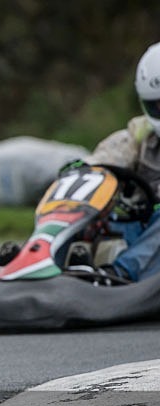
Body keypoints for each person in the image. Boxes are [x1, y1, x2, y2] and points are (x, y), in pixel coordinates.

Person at [84, 42, 160, 282]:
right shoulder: (141, 136)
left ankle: (117, 276)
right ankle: (43, 264)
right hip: (145, 239)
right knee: (97, 214)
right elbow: (100, 163)